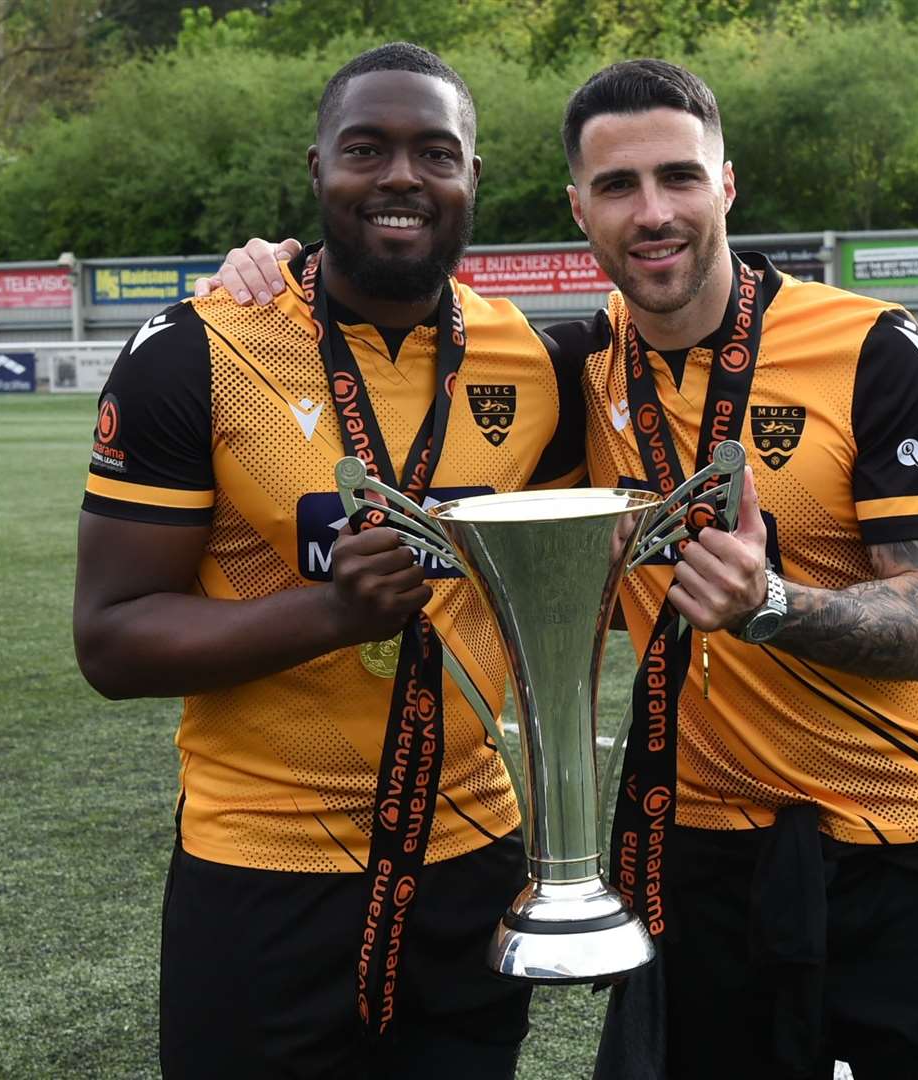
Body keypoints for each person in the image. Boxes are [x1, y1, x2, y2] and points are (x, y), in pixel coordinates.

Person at [209, 58, 918, 1080]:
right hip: (690, 845)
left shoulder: (872, 349)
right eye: (617, 187)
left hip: (891, 835)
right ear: (578, 211)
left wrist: (769, 603)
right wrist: (269, 270)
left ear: (725, 186)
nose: (654, 213)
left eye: (679, 177)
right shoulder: (573, 371)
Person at [72, 43, 584, 1079]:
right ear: (317, 172)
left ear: (473, 180)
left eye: (436, 153)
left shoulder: (538, 362)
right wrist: (328, 614)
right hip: (265, 874)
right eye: (367, 149)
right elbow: (112, 639)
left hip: (472, 867)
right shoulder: (196, 350)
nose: (402, 176)